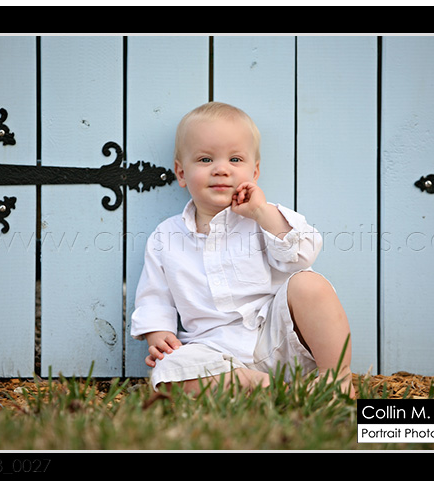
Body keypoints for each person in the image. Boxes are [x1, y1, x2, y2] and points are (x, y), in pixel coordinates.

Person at [131, 102, 354, 399]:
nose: (221, 169)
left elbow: (303, 254)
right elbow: (154, 297)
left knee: (309, 284)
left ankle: (336, 377)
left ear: (255, 171)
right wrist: (158, 334)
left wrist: (261, 212)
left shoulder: (265, 217)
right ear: (181, 173)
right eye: (205, 159)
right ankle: (276, 390)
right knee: (169, 370)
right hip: (212, 351)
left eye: (235, 159)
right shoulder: (165, 236)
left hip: (277, 338)